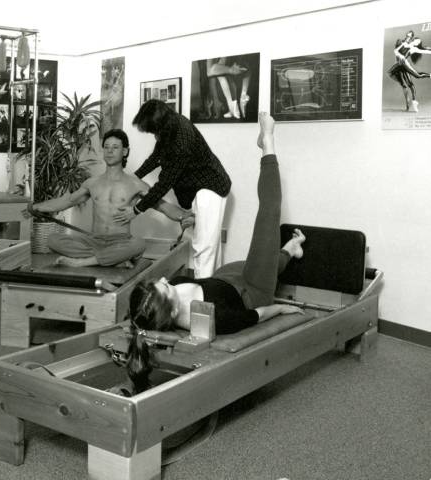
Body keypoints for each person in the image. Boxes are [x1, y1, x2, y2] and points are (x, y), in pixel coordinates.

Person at [123, 112, 306, 394]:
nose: (164, 281)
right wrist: (283, 309)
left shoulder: (165, 299)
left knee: (265, 258)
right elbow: (257, 314)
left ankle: (289, 250)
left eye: (160, 283)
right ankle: (267, 141)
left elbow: (143, 315)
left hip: (225, 277)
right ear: (172, 310)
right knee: (269, 213)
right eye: (163, 288)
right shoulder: (213, 318)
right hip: (252, 291)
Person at [32, 129, 193, 268]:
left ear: (125, 152)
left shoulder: (136, 184)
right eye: (106, 147)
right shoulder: (92, 183)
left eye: (115, 147)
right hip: (94, 241)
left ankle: (84, 262)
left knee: (139, 244)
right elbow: (67, 201)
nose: (109, 151)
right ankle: (113, 260)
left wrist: (185, 216)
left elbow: (163, 206)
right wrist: (37, 207)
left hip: (121, 242)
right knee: (52, 240)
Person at [116, 99, 231, 278]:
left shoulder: (181, 139)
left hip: (211, 188)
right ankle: (214, 288)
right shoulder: (171, 124)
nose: (153, 135)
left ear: (158, 125)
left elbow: (164, 183)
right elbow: (156, 157)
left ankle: (202, 296)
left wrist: (137, 209)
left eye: (152, 131)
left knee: (204, 247)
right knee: (209, 245)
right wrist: (135, 176)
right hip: (201, 189)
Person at [387, 30, 431, 113]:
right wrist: (400, 55)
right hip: (400, 65)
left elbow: (425, 50)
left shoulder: (414, 48)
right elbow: (395, 51)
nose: (416, 43)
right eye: (416, 40)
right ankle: (408, 100)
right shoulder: (403, 43)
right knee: (405, 83)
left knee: (412, 83)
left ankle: (414, 102)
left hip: (404, 65)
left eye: (418, 43)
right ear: (412, 39)